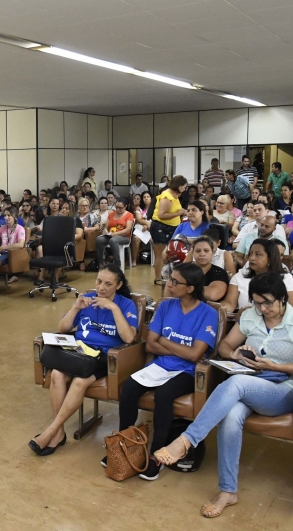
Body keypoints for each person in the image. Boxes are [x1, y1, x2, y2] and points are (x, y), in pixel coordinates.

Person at [155, 272, 293, 519]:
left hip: (284, 389)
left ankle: (187, 440)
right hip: (252, 382)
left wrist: (274, 366)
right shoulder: (251, 316)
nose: (263, 308)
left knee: (235, 384)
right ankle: (227, 491)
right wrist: (236, 355)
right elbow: (224, 346)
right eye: (257, 302)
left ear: (282, 298)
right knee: (231, 415)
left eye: (268, 302)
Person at [112, 263, 219, 478]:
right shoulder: (165, 306)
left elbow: (195, 355)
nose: (169, 284)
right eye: (170, 279)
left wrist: (164, 341)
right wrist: (178, 348)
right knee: (129, 387)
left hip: (188, 372)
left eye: (175, 281)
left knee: (164, 395)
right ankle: (126, 444)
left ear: (190, 288)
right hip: (160, 366)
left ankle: (156, 455)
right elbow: (150, 345)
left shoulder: (208, 314)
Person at [30, 265, 138, 457]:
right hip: (78, 351)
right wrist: (75, 308)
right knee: (56, 373)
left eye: (108, 283)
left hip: (105, 355)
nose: (101, 287)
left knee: (80, 380)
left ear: (119, 285)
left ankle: (51, 431)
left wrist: (113, 308)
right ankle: (59, 432)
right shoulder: (87, 300)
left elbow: (129, 338)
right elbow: (62, 328)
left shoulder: (126, 305)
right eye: (98, 281)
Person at [222, 238, 293, 313]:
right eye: (250, 253)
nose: (252, 258)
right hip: (245, 323)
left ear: (270, 258)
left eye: (258, 254)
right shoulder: (240, 276)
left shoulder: (286, 279)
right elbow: (230, 303)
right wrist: (215, 310)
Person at [151, 175, 188, 285]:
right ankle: (158, 278)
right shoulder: (167, 197)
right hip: (161, 228)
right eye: (184, 187)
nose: (185, 189)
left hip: (171, 227)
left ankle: (169, 276)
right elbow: (161, 214)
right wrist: (178, 213)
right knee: (161, 254)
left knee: (169, 253)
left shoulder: (174, 195)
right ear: (179, 185)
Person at [184, 236, 230, 302]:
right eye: (198, 251)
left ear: (213, 252)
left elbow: (212, 295)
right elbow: (170, 289)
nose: (202, 254)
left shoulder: (219, 272)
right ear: (193, 253)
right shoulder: (183, 270)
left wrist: (182, 289)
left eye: (206, 251)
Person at [96, 198, 134, 269]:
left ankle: (117, 264)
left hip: (124, 237)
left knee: (113, 240)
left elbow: (128, 230)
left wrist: (115, 234)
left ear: (125, 207)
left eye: (120, 208)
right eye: (117, 207)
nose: (118, 210)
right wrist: (105, 231)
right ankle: (101, 263)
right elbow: (106, 227)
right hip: (110, 235)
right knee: (99, 240)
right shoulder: (111, 214)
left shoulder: (129, 215)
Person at [0, 207, 26, 280]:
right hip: (1, 252)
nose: (6, 217)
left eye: (9, 215)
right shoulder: (3, 228)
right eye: (5, 215)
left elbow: (20, 244)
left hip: (12, 253)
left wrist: (2, 248)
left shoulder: (20, 228)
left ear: (14, 216)